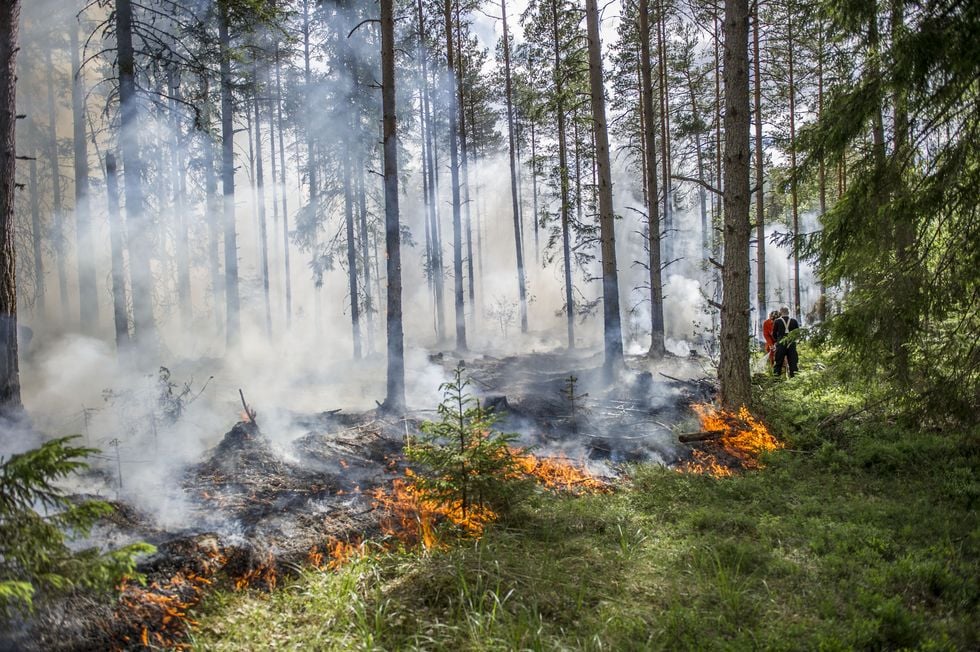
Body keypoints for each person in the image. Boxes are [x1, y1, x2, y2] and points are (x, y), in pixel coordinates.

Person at [772, 306, 800, 377]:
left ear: (780, 312)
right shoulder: (794, 321)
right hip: (791, 344)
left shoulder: (777, 321)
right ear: (788, 312)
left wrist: (777, 340)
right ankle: (794, 379)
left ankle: (776, 379)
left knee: (778, 363)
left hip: (781, 344)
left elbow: (774, 334)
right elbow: (798, 333)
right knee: (793, 363)